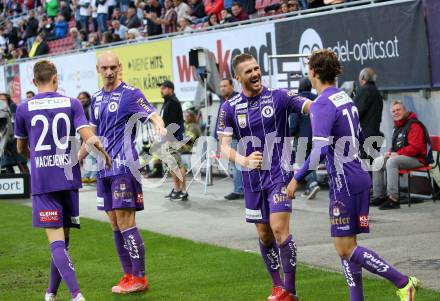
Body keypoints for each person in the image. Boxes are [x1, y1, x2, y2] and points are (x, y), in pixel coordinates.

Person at [288, 49, 419, 301]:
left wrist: (296, 178)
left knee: (345, 248)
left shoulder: (322, 104)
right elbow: (360, 139)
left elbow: (319, 150)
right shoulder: (345, 98)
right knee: (349, 247)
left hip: (343, 182)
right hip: (358, 175)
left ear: (313, 72)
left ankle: (403, 282)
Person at [217, 53, 313, 301]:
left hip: (279, 175)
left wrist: (329, 102)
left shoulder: (279, 96)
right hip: (252, 181)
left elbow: (309, 106)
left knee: (280, 230)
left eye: (256, 68)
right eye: (248, 71)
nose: (255, 74)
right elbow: (223, 147)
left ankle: (290, 291)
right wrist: (243, 161)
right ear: (238, 78)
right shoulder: (228, 107)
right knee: (264, 234)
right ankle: (277, 285)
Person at [14, 60, 111, 301]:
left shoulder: (24, 108)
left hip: (43, 180)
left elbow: (20, 146)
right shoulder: (72, 103)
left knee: (56, 241)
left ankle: (76, 295)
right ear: (56, 79)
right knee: (63, 241)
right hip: (68, 178)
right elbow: (90, 138)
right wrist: (105, 155)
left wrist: (34, 158)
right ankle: (51, 293)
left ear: (35, 82)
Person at [82, 51, 166, 294]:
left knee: (125, 221)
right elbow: (91, 137)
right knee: (114, 224)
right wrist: (74, 162)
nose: (109, 71)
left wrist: (159, 125)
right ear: (98, 69)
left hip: (124, 167)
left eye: (113, 67)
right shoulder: (96, 99)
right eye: (104, 68)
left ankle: (140, 277)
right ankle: (128, 274)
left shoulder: (130, 94)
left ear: (119, 68)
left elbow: (152, 114)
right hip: (102, 169)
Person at [371, 101, 430, 210]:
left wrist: (397, 154)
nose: (396, 112)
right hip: (403, 157)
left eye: (398, 110)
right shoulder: (397, 126)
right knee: (377, 162)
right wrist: (389, 153)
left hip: (417, 158)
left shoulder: (414, 125)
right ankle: (379, 196)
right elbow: (396, 146)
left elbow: (416, 148)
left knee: (392, 162)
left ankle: (393, 199)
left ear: (405, 111)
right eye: (393, 111)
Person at [289, 77, 320, 200]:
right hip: (317, 136)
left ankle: (312, 183)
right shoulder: (317, 98)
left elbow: (294, 120)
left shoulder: (297, 99)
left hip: (302, 137)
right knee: (312, 161)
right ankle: (309, 187)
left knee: (302, 162)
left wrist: (291, 132)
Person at [158, 80, 188, 201]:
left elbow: (174, 123)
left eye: (164, 88)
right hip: (167, 138)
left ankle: (183, 190)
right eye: (161, 88)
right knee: (172, 165)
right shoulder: (167, 102)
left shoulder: (173, 103)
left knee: (177, 165)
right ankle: (176, 189)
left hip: (173, 139)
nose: (161, 90)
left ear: (170, 89)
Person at [216, 78, 243, 200]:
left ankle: (238, 191)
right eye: (221, 86)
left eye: (225, 86)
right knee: (235, 165)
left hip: (236, 138)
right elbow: (220, 122)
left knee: (237, 165)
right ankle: (240, 189)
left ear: (232, 87)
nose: (222, 88)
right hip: (227, 138)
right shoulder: (223, 101)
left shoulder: (236, 100)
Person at [354, 67, 383, 161]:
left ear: (363, 78)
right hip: (375, 134)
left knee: (363, 168)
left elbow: (355, 113)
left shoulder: (364, 91)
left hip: (364, 137)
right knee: (371, 167)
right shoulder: (377, 93)